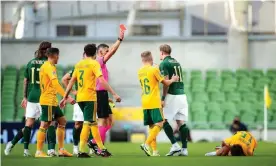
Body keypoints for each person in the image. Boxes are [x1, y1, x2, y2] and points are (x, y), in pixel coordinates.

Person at [60, 44, 121, 158]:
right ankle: (82, 150)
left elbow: (71, 81)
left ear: (85, 52)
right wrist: (114, 93)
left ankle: (102, 149)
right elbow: (101, 81)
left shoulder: (79, 64)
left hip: (80, 98)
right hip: (90, 98)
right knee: (88, 123)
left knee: (92, 123)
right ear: (95, 53)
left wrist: (65, 96)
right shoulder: (94, 63)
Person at [4, 41, 58, 157]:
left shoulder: (30, 62)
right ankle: (51, 149)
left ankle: (21, 148)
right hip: (44, 97)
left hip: (31, 96)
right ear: (48, 50)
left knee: (29, 124)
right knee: (50, 123)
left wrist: (24, 97)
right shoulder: (48, 63)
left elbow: (25, 81)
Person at [87, 30, 124, 154]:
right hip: (99, 93)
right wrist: (120, 39)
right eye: (106, 51)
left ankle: (95, 142)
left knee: (109, 121)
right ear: (100, 52)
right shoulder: (99, 60)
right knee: (102, 120)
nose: (108, 53)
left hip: (102, 93)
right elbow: (113, 50)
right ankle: (97, 146)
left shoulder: (98, 63)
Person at [138, 51, 179, 156]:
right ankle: (146, 144)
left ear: (142, 60)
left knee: (152, 127)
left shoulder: (140, 71)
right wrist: (173, 79)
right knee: (160, 123)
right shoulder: (154, 69)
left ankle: (155, 151)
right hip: (154, 100)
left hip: (144, 100)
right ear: (151, 58)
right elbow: (165, 82)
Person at [36, 47, 74, 157]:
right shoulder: (48, 67)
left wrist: (61, 99)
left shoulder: (51, 66)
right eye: (58, 55)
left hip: (52, 100)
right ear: (53, 55)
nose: (59, 58)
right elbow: (56, 84)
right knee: (45, 124)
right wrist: (66, 97)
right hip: (47, 100)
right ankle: (38, 151)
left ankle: (61, 149)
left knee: (62, 121)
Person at [159, 44, 189, 156]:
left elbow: (166, 83)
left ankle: (175, 145)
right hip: (182, 95)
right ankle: (185, 149)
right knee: (180, 122)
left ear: (162, 52)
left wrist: (163, 98)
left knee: (163, 120)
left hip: (172, 94)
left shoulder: (164, 63)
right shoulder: (176, 62)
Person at [62, 67, 83, 155]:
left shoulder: (94, 66)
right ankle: (75, 147)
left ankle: (92, 147)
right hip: (80, 100)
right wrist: (73, 91)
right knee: (78, 124)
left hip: (92, 99)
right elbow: (64, 79)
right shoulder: (78, 68)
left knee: (91, 123)